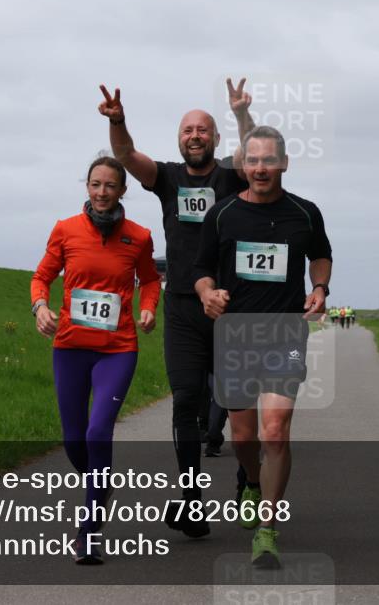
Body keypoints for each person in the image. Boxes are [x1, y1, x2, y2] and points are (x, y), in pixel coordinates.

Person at [98, 79, 254, 538]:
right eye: (188, 130)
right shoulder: (167, 177)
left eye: (203, 129)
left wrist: (241, 114)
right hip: (184, 308)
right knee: (186, 401)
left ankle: (247, 482)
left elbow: (254, 152)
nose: (195, 135)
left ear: (215, 138)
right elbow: (126, 155)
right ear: (179, 139)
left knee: (238, 405)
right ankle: (191, 500)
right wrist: (118, 121)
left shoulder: (231, 175)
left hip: (231, 307)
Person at [193, 125, 333, 568]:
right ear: (243, 164)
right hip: (235, 336)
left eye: (269, 160)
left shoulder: (305, 213)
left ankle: (268, 530)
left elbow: (321, 254)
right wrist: (207, 294)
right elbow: (201, 270)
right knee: (243, 436)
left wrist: (320, 287)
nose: (260, 168)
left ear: (284, 163)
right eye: (252, 160)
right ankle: (251, 482)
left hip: (285, 333)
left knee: (275, 429)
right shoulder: (222, 214)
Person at [30, 156, 160, 564]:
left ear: (123, 191)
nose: (102, 192)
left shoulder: (138, 236)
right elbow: (42, 276)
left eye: (110, 186)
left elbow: (150, 280)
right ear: (87, 187)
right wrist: (40, 307)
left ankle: (88, 531)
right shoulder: (65, 230)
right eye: (95, 184)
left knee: (98, 431)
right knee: (74, 440)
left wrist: (149, 308)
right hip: (70, 347)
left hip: (118, 348)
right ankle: (100, 486)